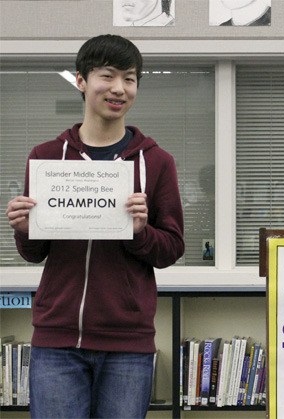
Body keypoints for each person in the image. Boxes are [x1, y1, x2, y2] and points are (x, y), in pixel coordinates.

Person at [5, 34, 185, 418]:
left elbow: (170, 248)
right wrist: (24, 227)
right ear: (81, 80)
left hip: (128, 343)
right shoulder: (47, 158)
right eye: (108, 76)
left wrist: (141, 230)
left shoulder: (157, 162)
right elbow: (35, 253)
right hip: (56, 339)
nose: (119, 88)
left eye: (130, 78)